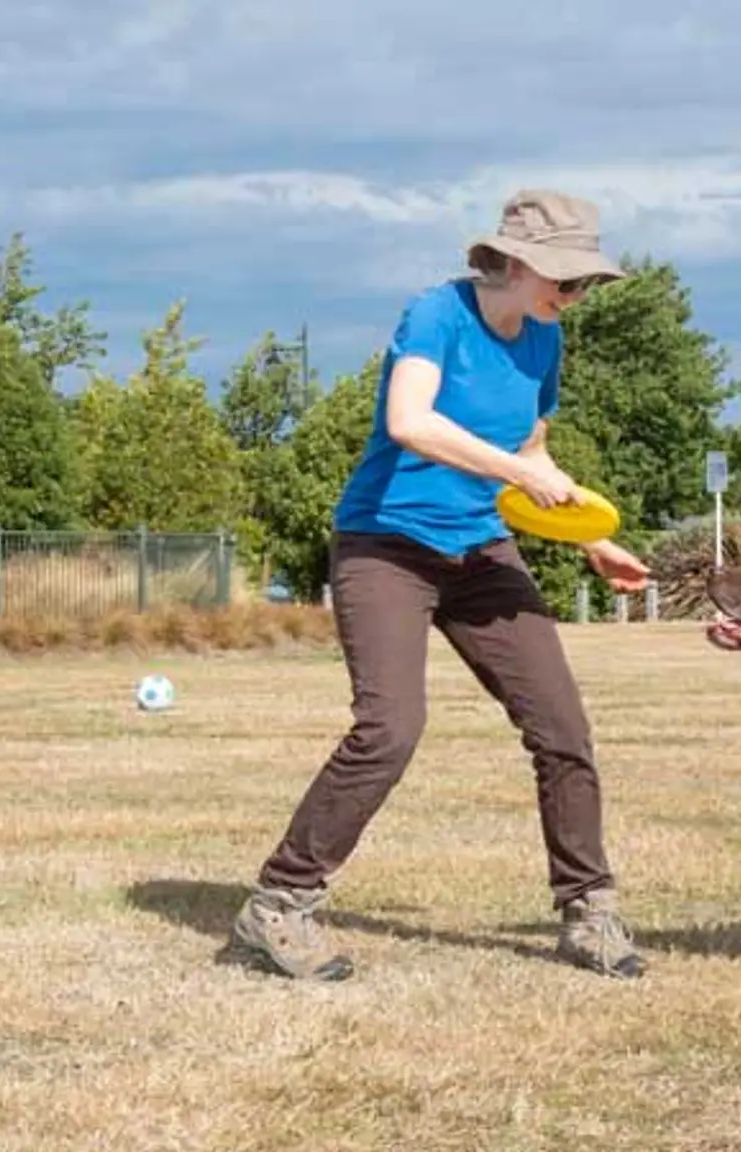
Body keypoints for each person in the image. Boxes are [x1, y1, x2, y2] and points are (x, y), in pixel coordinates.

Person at [226, 189, 654, 982]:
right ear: (521, 263)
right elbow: (410, 422)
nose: (579, 295)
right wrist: (518, 470)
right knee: (390, 728)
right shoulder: (437, 315)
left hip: (481, 549)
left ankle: (589, 910)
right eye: (570, 278)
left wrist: (594, 538)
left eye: (589, 281)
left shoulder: (543, 343)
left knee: (563, 726)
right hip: (386, 546)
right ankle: (279, 904)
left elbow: (533, 450)